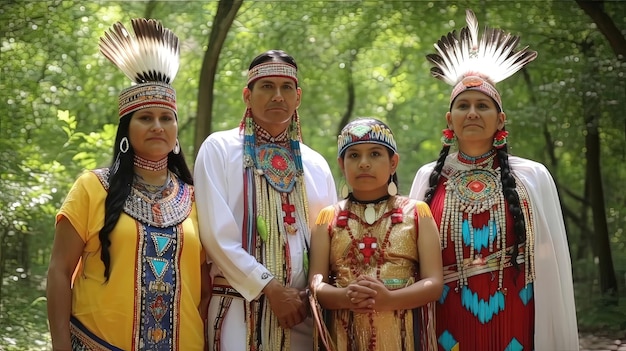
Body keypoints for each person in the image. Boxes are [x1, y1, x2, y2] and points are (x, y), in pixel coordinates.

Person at [409, 9, 579, 351]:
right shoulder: (429, 177)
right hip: (446, 314)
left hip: (516, 310)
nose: (472, 113)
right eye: (464, 105)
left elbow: (552, 265)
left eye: (483, 106)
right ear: (450, 118)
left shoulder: (531, 177)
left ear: (500, 119)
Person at [46, 18, 210, 351]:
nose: (157, 126)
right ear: (126, 128)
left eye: (166, 118)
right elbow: (59, 273)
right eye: (145, 118)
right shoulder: (92, 188)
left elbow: (205, 289)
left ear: (176, 129)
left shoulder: (196, 198)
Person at [194, 49, 337, 351]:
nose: (277, 96)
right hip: (238, 307)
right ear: (247, 95)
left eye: (286, 88)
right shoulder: (218, 149)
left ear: (298, 97)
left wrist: (312, 293)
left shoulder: (315, 164)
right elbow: (216, 236)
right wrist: (269, 287)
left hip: (302, 312)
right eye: (267, 87)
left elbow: (329, 240)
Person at [308, 117, 443, 351]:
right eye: (354, 155)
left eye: (375, 154)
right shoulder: (327, 217)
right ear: (341, 164)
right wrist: (345, 297)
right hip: (342, 334)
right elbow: (315, 283)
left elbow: (434, 283)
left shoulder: (418, 213)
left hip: (402, 335)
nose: (363, 163)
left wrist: (389, 300)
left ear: (393, 163)